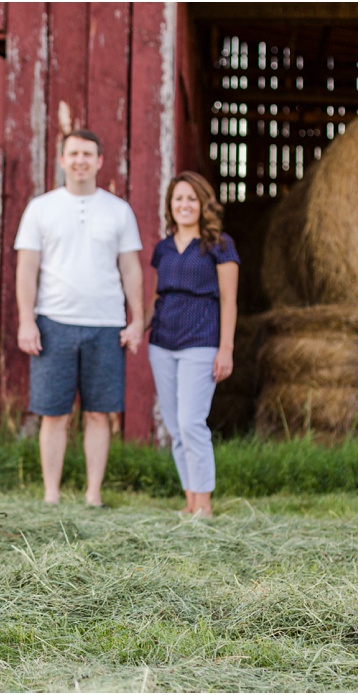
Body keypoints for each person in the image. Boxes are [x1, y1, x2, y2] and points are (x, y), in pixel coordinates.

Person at [13, 129, 144, 508]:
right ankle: (51, 494)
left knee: (100, 414)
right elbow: (27, 269)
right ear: (62, 159)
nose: (81, 160)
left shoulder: (118, 210)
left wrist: (136, 320)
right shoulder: (41, 208)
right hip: (53, 322)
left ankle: (93, 495)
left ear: (100, 161)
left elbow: (131, 270)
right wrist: (27, 320)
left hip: (107, 324)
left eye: (88, 153)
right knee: (53, 414)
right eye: (74, 153)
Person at [146, 172, 239, 518]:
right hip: (161, 343)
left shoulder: (219, 245)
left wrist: (225, 348)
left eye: (191, 199)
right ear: (170, 205)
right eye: (178, 199)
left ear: (203, 205)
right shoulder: (163, 248)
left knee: (191, 422)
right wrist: (135, 328)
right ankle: (189, 501)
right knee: (174, 427)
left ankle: (205, 504)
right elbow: (156, 297)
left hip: (200, 342)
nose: (184, 205)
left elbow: (229, 301)